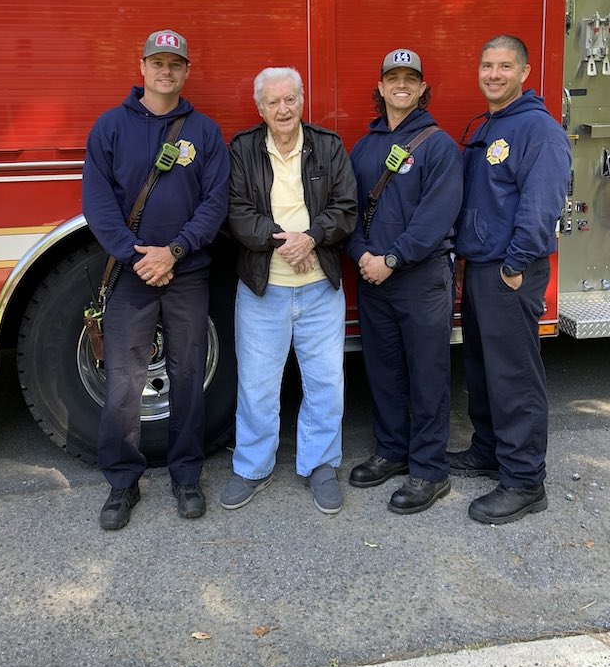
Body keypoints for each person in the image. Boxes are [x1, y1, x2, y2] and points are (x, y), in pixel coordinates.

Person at [83, 29, 230, 530]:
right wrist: (135, 255)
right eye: (158, 62)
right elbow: (98, 204)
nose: (166, 71)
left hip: (187, 273)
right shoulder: (110, 128)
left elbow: (216, 202)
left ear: (186, 72)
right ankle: (123, 483)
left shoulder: (205, 132)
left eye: (176, 64)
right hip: (130, 276)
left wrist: (175, 250)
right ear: (141, 66)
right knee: (124, 382)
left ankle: (185, 475)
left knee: (188, 376)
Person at [222, 67, 357, 515]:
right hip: (264, 289)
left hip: (319, 288)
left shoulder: (329, 146)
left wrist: (312, 237)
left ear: (303, 101)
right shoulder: (242, 149)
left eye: (291, 100)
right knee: (258, 386)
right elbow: (235, 212)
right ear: (260, 108)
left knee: (325, 384)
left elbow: (346, 207)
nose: (283, 109)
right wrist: (285, 240)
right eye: (273, 102)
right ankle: (251, 467)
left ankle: (320, 466)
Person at [450, 34, 571, 525]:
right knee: (481, 368)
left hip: (509, 272)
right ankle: (487, 451)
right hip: (483, 268)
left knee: (514, 377)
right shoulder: (489, 125)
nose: (493, 74)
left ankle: (524, 481)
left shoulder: (537, 130)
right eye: (486, 65)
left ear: (524, 72)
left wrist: (515, 266)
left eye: (504, 66)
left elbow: (541, 205)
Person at [347, 49, 463, 514]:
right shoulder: (364, 146)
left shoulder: (439, 146)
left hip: (421, 278)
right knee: (384, 370)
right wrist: (361, 254)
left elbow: (436, 217)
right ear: (380, 87)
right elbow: (349, 211)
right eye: (392, 77)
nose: (400, 85)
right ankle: (392, 451)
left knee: (427, 374)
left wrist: (391, 257)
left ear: (421, 88)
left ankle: (430, 471)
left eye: (409, 78)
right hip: (375, 278)